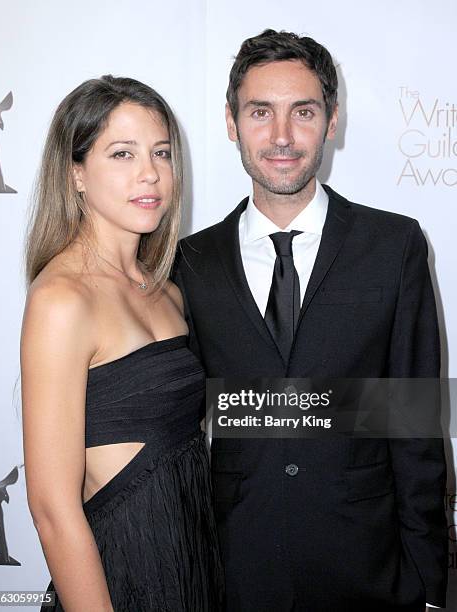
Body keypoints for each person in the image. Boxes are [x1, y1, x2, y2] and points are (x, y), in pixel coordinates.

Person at [173, 29, 447, 611]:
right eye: (259, 112)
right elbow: (181, 433)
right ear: (230, 121)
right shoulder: (191, 263)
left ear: (332, 119)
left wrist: (427, 583)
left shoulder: (393, 246)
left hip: (370, 574)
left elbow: (414, 423)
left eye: (302, 112)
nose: (280, 137)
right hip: (236, 572)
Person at [21, 75, 224, 612]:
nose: (151, 173)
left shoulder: (168, 292)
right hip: (118, 577)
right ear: (76, 174)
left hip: (191, 568)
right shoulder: (62, 300)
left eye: (161, 152)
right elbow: (51, 507)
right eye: (122, 153)